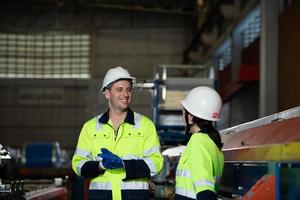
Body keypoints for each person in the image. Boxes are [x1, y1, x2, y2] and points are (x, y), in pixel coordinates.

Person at [72, 66, 163, 200]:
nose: (125, 94)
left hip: (134, 197)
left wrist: (124, 164)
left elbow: (156, 163)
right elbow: (78, 165)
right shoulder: (90, 127)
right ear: (107, 93)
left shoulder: (145, 125)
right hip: (102, 197)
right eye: (119, 90)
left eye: (128, 90)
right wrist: (100, 165)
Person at [174, 86, 224, 200]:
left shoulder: (197, 141)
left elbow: (205, 190)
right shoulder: (214, 143)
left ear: (190, 118)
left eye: (184, 112)